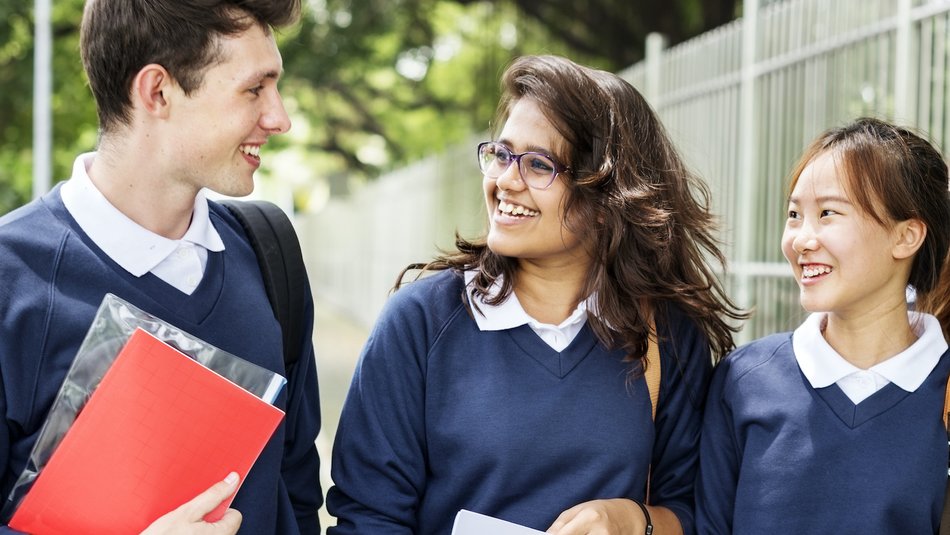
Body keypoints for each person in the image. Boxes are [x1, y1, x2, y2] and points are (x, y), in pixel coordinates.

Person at [326, 54, 744, 535]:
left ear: (608, 201)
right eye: (502, 155)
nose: (505, 180)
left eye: (539, 165)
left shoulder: (666, 336)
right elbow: (369, 517)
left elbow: (697, 512)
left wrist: (635, 520)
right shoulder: (419, 323)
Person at [0, 0, 322, 533]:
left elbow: (298, 493)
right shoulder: (12, 281)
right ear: (157, 92)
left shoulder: (271, 254)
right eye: (254, 89)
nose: (279, 118)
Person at [696, 117, 950, 534]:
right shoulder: (744, 380)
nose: (801, 238)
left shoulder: (942, 391)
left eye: (828, 213)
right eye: (794, 214)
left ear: (906, 237)